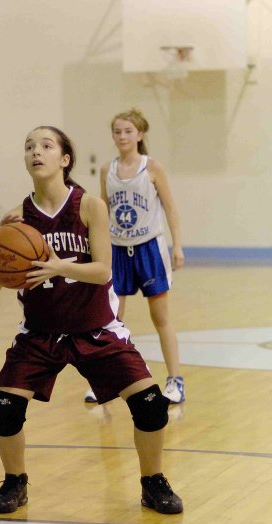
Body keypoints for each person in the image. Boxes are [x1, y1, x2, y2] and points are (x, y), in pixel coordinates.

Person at [0, 125, 183, 516]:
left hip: (96, 330)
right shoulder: (18, 218)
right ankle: (14, 482)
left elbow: (104, 270)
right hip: (40, 333)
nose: (35, 151)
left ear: (65, 159)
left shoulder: (89, 206)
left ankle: (153, 482)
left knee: (151, 405)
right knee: (2, 410)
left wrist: (58, 266)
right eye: (29, 146)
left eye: (45, 145)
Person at [85, 108, 185, 405]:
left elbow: (170, 208)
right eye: (117, 131)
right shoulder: (107, 169)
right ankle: (105, 382)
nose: (122, 136)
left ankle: (175, 380)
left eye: (128, 131)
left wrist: (177, 246)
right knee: (111, 319)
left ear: (139, 134)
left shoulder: (152, 167)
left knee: (160, 317)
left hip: (149, 248)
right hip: (117, 250)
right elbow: (101, 212)